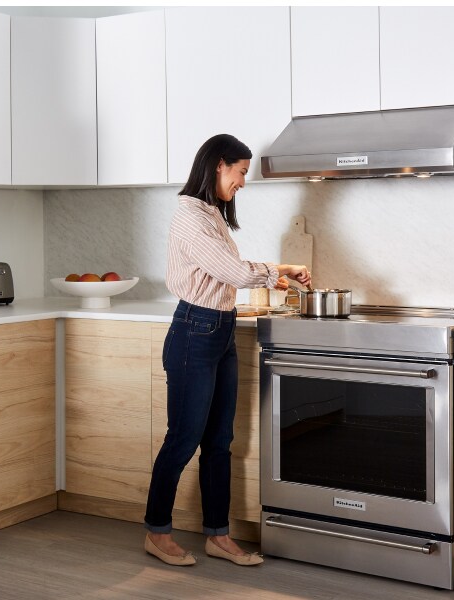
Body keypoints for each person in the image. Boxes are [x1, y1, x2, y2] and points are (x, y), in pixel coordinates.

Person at [143, 133, 312, 567]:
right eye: (239, 173)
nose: (242, 183)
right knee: (183, 439)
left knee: (219, 440)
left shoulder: (211, 213)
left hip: (218, 329)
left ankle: (217, 535)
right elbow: (232, 272)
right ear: (219, 165)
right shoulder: (189, 215)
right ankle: (157, 531)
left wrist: (280, 270)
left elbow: (230, 272)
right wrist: (275, 270)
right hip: (193, 333)